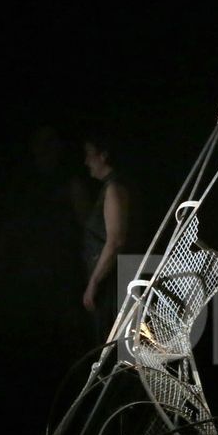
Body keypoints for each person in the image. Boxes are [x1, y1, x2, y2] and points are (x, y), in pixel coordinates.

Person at [80, 129, 139, 346]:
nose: (86, 161)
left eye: (89, 153)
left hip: (113, 283)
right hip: (109, 280)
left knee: (113, 344)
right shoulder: (109, 188)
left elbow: (115, 241)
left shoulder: (114, 189)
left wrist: (94, 282)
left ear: (103, 155)